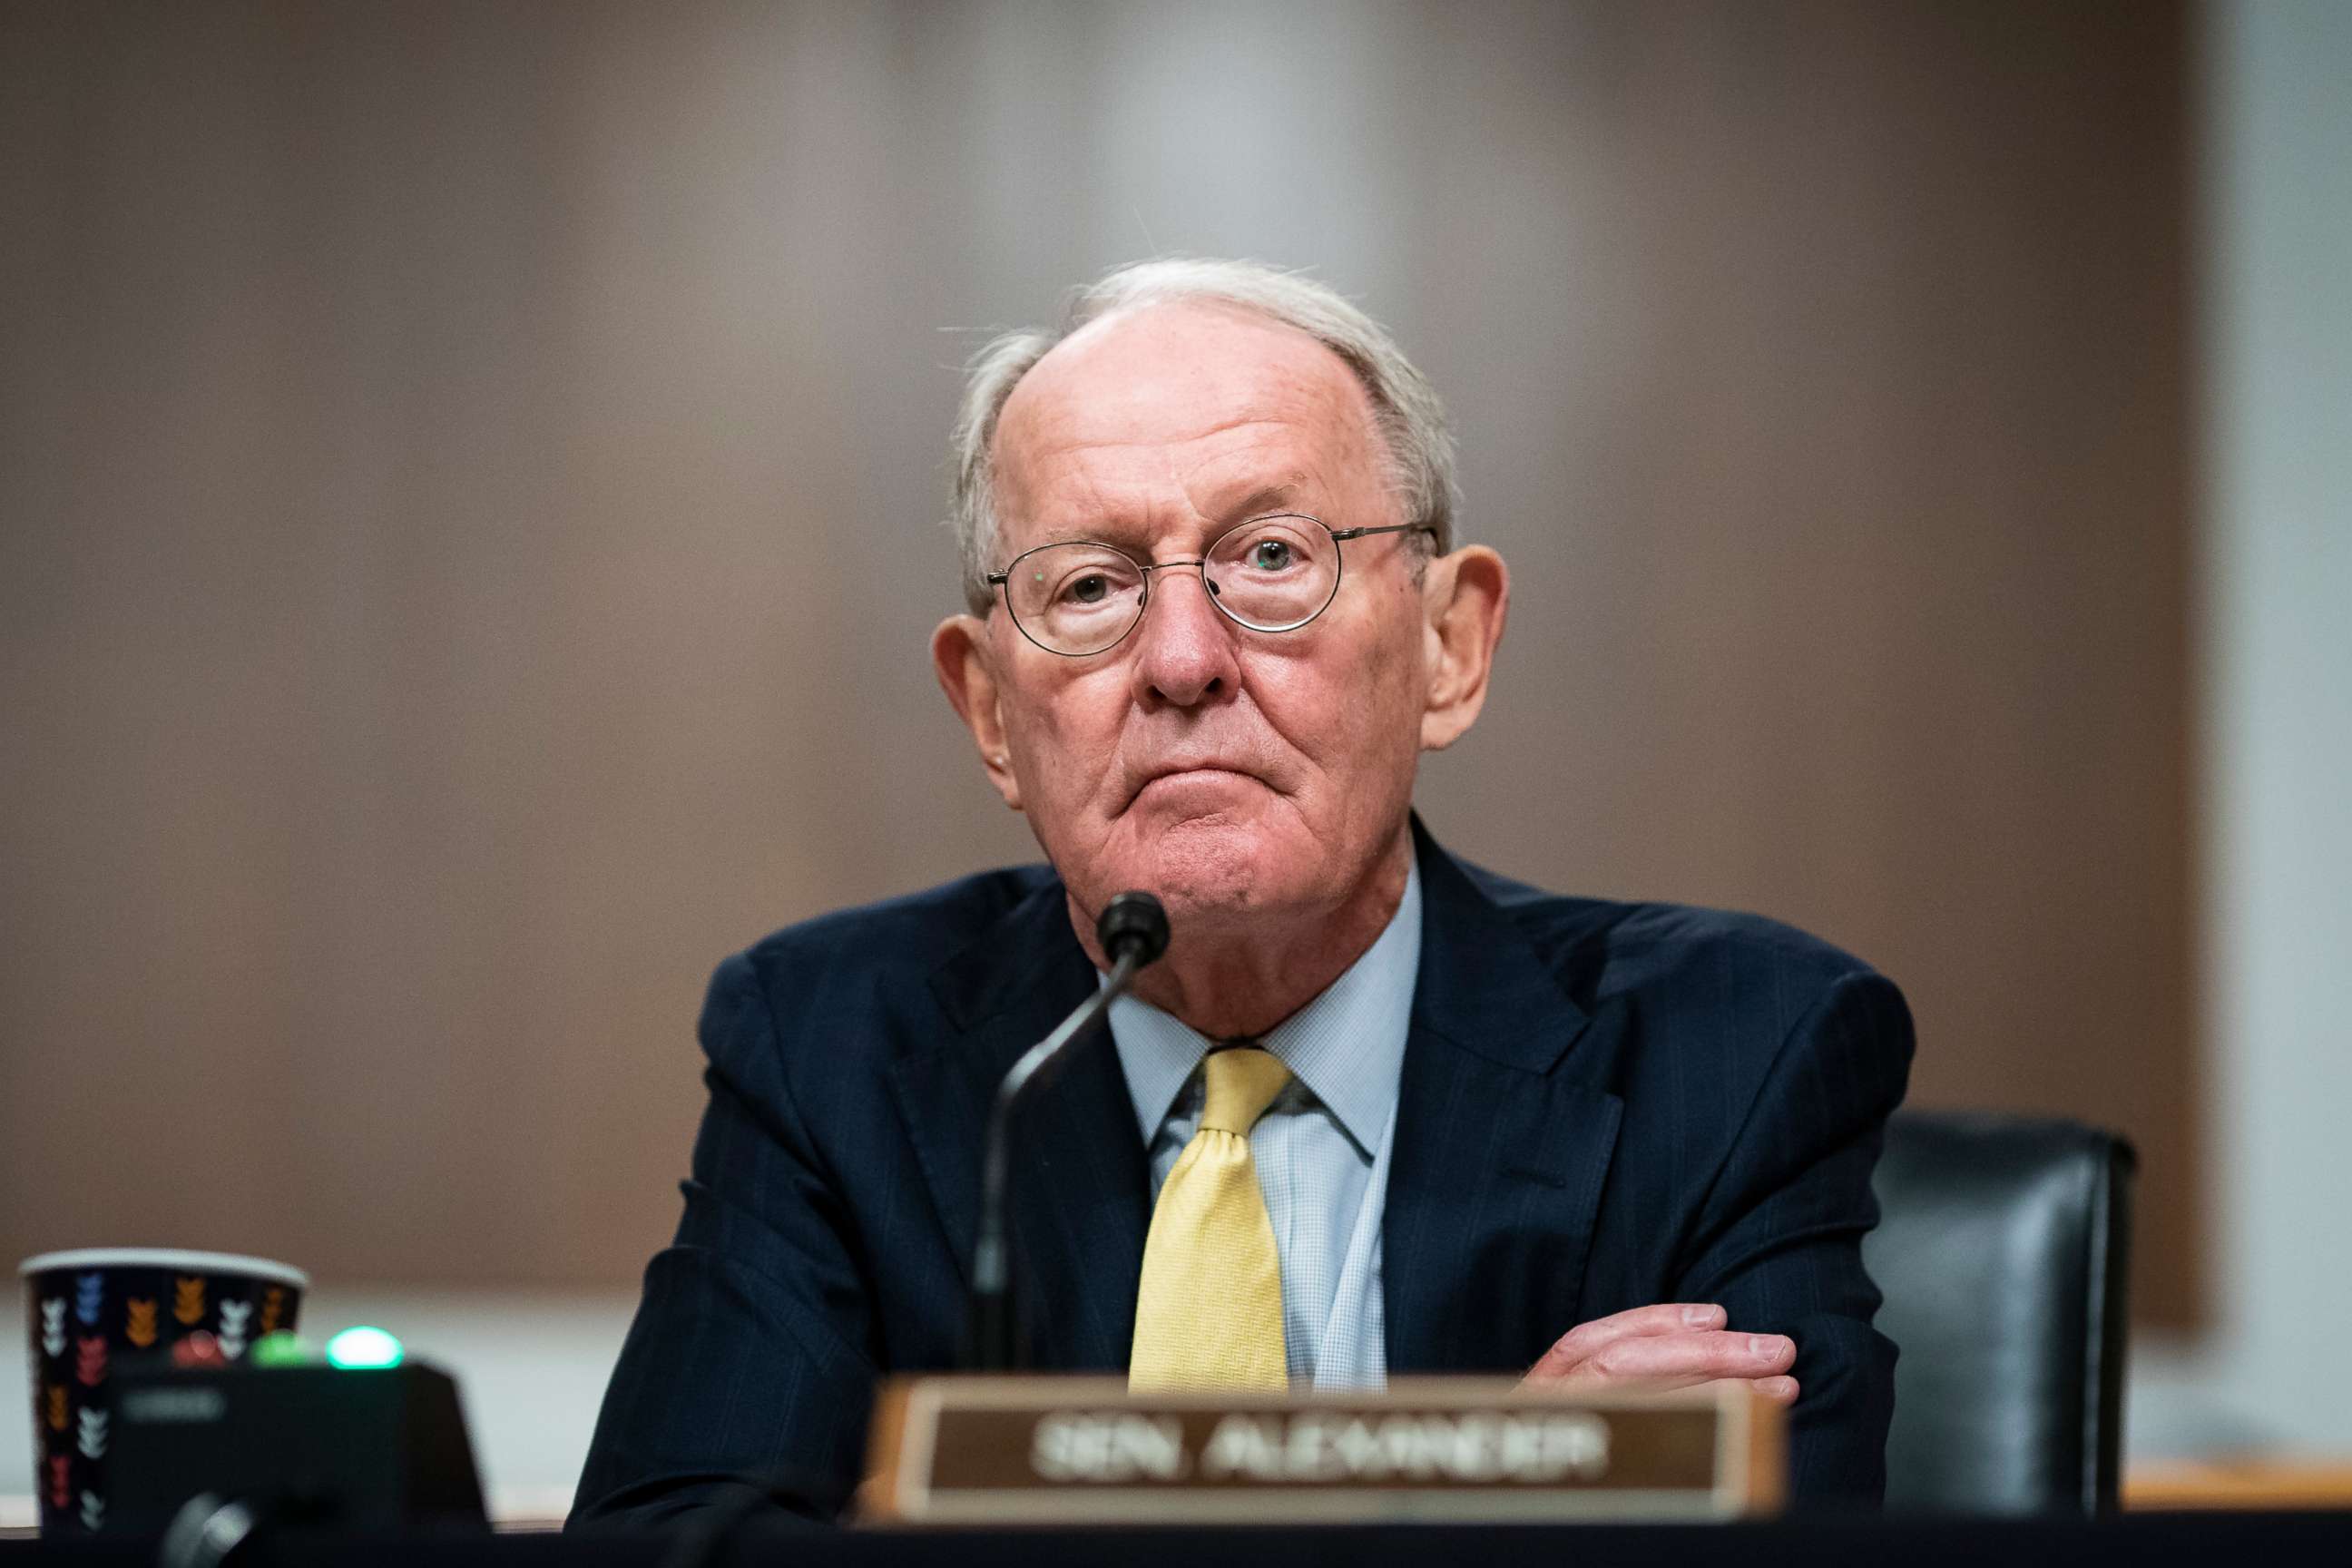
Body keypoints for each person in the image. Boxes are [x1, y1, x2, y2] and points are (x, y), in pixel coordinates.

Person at [571, 259, 1914, 1525]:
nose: (1180, 658)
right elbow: (681, 1550)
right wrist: (1470, 1508)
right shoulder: (833, 1048)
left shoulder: (1734, 1052)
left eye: (1271, 557)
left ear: (1449, 644)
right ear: (989, 711)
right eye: (1090, 584)